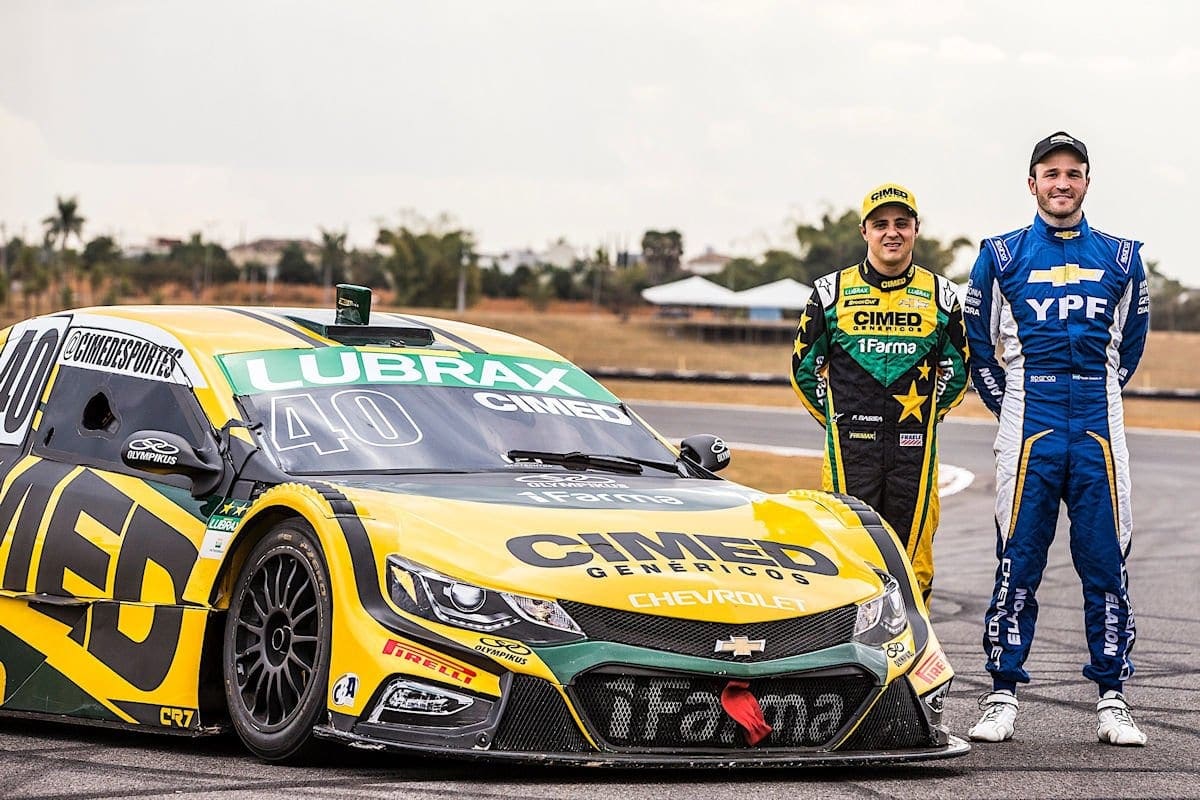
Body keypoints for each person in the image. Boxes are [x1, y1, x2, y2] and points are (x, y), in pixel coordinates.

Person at [963, 131, 1151, 746]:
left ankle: (1113, 698)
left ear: (1088, 181)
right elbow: (979, 345)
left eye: (1073, 173)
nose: (1062, 183)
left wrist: (1100, 393)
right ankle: (1001, 694)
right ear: (1032, 183)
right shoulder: (1000, 253)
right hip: (1028, 419)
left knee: (1106, 563)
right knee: (1018, 559)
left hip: (1099, 422)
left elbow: (1132, 345)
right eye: (1051, 173)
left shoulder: (1123, 257)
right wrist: (1012, 401)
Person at [791, 182, 969, 607]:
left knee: (914, 562)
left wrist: (925, 414)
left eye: (902, 224)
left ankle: (912, 660)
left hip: (915, 452)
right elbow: (804, 367)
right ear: (864, 231)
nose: (892, 232)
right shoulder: (829, 292)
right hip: (849, 452)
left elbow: (959, 368)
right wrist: (838, 418)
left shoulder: (943, 296)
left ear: (915, 230)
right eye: (881, 224)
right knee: (848, 556)